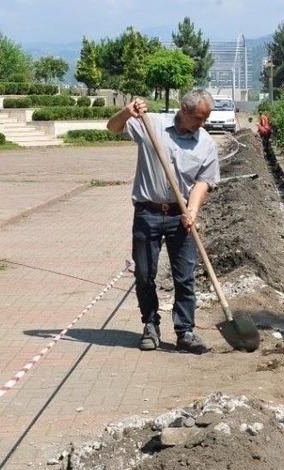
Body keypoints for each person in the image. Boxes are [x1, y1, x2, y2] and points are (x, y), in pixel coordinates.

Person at [106, 89, 219, 354]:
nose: (202, 124)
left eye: (205, 119)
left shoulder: (206, 143)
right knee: (145, 274)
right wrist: (126, 112)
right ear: (184, 109)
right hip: (148, 212)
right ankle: (150, 324)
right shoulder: (151, 124)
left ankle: (185, 331)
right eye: (199, 118)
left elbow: (204, 181)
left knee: (185, 276)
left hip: (181, 217)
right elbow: (112, 128)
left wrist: (192, 210)